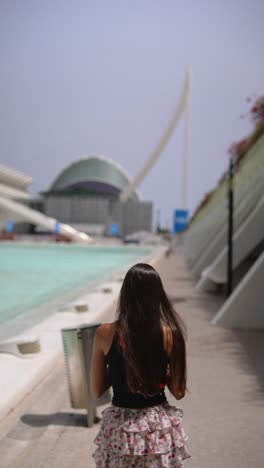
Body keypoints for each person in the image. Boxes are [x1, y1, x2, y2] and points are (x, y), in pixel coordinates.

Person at [90, 263, 191, 467]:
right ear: (157, 296)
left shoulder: (105, 332)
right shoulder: (171, 334)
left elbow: (97, 389)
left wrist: (121, 366)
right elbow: (179, 391)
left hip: (120, 427)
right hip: (157, 426)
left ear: (125, 295)